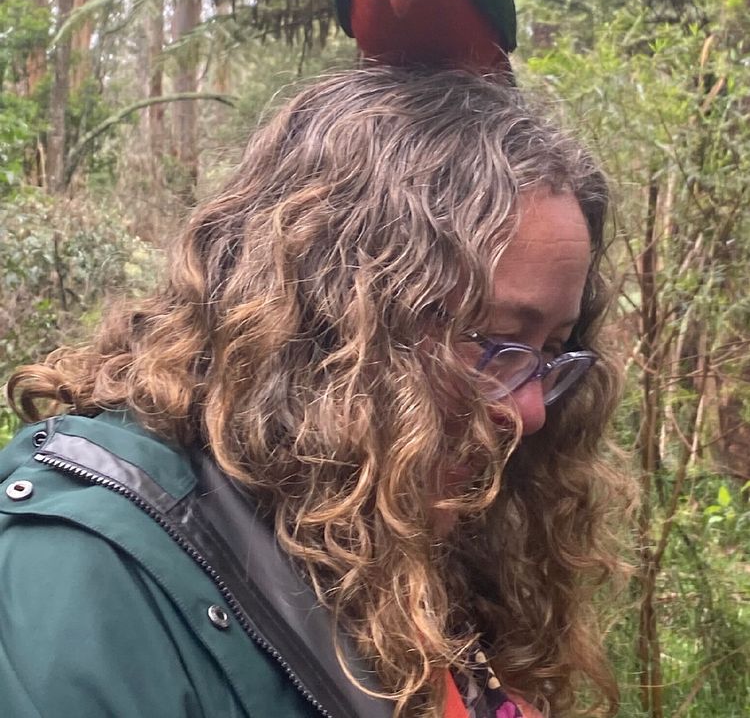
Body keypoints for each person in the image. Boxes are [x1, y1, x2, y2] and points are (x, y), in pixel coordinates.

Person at [0, 68, 627, 718]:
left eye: (551, 351)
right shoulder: (78, 583)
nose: (528, 411)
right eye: (493, 337)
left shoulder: (392, 521)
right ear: (328, 320)